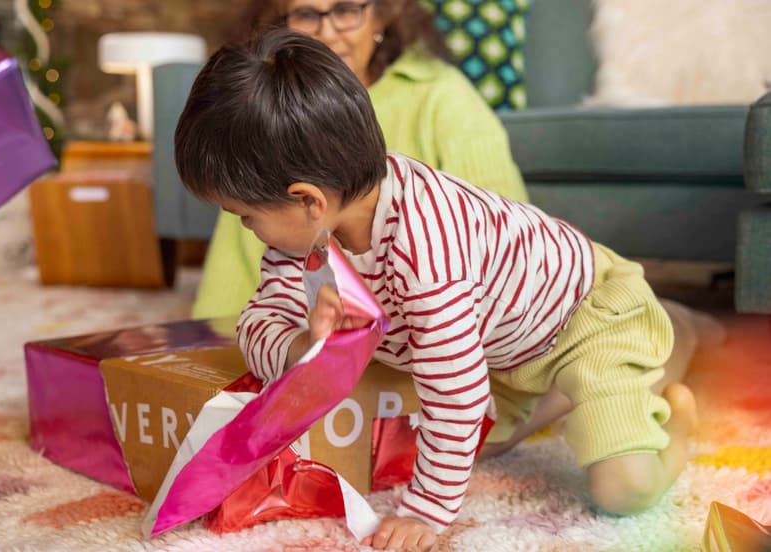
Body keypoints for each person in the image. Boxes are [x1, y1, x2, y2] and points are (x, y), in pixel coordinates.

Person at [174, 29, 699, 551]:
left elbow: (455, 394)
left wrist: (425, 513)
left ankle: (677, 345)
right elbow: (258, 320)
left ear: (308, 200)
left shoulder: (425, 249)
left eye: (246, 217)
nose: (248, 230)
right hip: (504, 345)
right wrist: (301, 342)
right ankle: (568, 386)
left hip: (586, 315)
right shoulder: (304, 236)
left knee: (623, 489)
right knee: (473, 446)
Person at [192, 0, 528, 319]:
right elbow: (237, 252)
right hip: (299, 325)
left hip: (437, 327)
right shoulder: (263, 117)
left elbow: (502, 245)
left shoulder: (443, 95)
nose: (327, 32)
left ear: (380, 16)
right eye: (307, 14)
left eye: (345, 10)